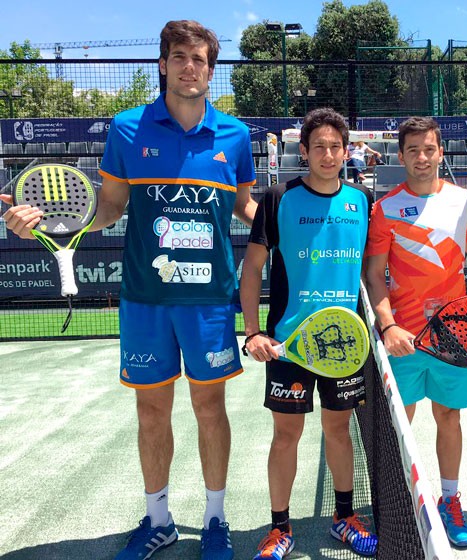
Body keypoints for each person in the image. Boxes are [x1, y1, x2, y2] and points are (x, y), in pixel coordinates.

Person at [2, 20, 257, 560]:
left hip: (209, 301)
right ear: (163, 65)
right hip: (144, 298)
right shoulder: (126, 129)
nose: (192, 67)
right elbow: (108, 209)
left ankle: (215, 520)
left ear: (211, 69)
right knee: (151, 414)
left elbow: (246, 208)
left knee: (210, 409)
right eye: (181, 57)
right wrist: (47, 220)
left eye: (201, 59)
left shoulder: (234, 135)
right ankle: (160, 520)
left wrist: (301, 224)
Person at [240, 107, 378, 559]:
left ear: (346, 151)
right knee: (287, 436)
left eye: (335, 146)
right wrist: (254, 332)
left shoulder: (362, 201)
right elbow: (253, 268)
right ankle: (280, 529)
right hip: (288, 347)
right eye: (318, 146)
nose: (327, 154)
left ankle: (344, 518)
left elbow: (376, 270)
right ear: (304, 151)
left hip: (342, 345)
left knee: (339, 432)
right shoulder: (278, 198)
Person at [364, 117, 467, 548]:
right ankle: (395, 501)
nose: (421, 157)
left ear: (440, 153)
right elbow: (374, 275)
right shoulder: (385, 209)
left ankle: (450, 499)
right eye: (412, 150)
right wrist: (389, 325)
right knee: (401, 423)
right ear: (401, 156)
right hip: (403, 339)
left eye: (428, 149)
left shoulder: (464, 201)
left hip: (454, 338)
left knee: (448, 417)